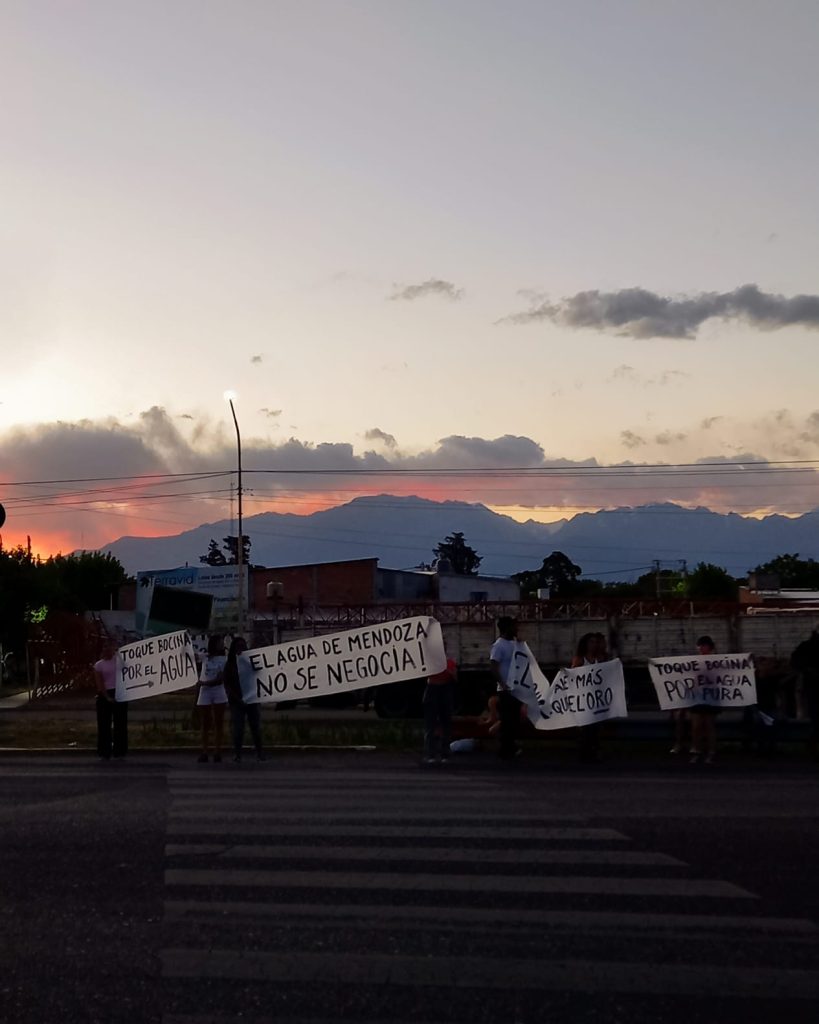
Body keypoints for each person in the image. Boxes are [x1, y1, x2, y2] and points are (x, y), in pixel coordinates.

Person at [224, 636, 265, 763]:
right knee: (238, 729)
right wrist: (237, 699)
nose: (241, 649)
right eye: (238, 646)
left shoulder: (250, 662)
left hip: (251, 700)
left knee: (255, 728)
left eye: (243, 646)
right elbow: (227, 685)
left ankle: (259, 753)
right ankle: (237, 754)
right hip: (237, 702)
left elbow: (259, 676)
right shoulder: (230, 664)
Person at [490, 616, 521, 760]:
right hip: (506, 689)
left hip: (516, 687)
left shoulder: (515, 644)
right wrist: (503, 684)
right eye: (513, 626)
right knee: (507, 720)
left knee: (514, 719)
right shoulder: (499, 645)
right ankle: (505, 749)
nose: (516, 629)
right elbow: (494, 666)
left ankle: (510, 746)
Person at [571, 633, 605, 763]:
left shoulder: (599, 658)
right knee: (585, 728)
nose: (594, 645)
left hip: (596, 699)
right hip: (583, 699)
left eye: (595, 642)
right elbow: (573, 676)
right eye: (591, 642)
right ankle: (584, 753)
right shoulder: (580, 659)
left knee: (595, 728)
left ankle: (593, 751)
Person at [93, 640, 128, 760]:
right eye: (105, 647)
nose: (107, 650)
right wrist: (107, 697)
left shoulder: (118, 661)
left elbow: (127, 669)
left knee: (121, 724)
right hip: (105, 695)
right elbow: (99, 683)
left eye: (110, 647)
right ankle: (104, 751)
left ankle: (120, 751)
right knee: (104, 725)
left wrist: (119, 654)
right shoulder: (99, 665)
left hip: (120, 693)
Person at [197, 634, 228, 763]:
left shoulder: (224, 660)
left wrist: (204, 684)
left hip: (217, 691)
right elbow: (189, 657)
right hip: (205, 692)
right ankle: (204, 751)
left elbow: (220, 679)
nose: (222, 644)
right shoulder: (205, 657)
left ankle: (217, 751)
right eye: (220, 642)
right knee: (205, 722)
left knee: (218, 722)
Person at [689, 635, 719, 765]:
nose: (701, 648)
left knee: (709, 726)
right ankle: (697, 751)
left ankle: (711, 752)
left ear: (709, 647)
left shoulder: (716, 661)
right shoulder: (694, 661)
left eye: (704, 645)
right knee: (696, 726)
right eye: (699, 645)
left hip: (710, 697)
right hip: (697, 697)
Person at [422, 656, 457, 766]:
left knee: (445, 723)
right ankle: (431, 754)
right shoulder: (429, 660)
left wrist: (450, 672)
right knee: (430, 724)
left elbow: (455, 677)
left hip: (444, 689)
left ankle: (444, 754)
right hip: (433, 688)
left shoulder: (449, 662)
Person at [790, 631, 819, 760]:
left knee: (816, 719)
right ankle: (812, 747)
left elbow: (795, 662)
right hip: (813, 687)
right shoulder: (807, 647)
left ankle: (812, 747)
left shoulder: (806, 646)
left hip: (812, 687)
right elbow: (796, 663)